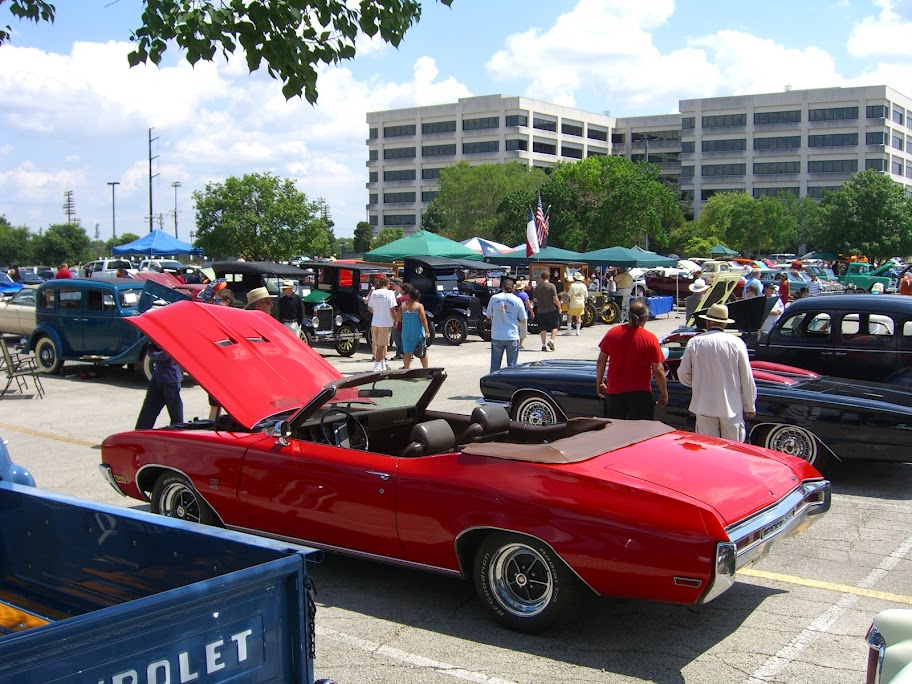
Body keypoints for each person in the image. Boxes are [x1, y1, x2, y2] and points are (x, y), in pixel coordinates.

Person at [677, 302, 756, 442]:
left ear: (708, 322)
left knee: (708, 449)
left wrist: (699, 384)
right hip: (731, 405)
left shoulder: (695, 342)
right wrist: (749, 404)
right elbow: (746, 377)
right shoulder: (736, 343)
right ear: (725, 324)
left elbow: (683, 373)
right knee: (733, 449)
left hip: (704, 404)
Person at [595, 298, 668, 420]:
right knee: (640, 434)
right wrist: (664, 393)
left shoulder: (612, 333)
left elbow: (601, 360)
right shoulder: (650, 339)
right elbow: (658, 370)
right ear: (646, 317)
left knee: (614, 432)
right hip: (640, 393)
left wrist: (600, 382)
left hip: (615, 392)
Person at [135, 342, 184, 430]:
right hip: (157, 378)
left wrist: (150, 350)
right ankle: (140, 432)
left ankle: (178, 433)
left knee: (175, 412)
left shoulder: (171, 339)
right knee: (149, 408)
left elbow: (164, 356)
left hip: (171, 380)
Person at [486, 277, 527, 373]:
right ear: (513, 288)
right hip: (511, 335)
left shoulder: (494, 298)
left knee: (495, 364)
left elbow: (488, 315)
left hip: (497, 334)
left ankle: (493, 384)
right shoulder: (517, 300)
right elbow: (523, 319)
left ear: (502, 287)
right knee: (512, 366)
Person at [367, 276, 398, 372]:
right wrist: (396, 319)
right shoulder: (390, 293)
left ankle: (382, 363)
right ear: (388, 284)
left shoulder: (374, 293)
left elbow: (369, 308)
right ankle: (377, 364)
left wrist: (377, 312)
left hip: (375, 322)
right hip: (385, 322)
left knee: (378, 344)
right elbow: (392, 309)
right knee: (382, 345)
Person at [400, 285, 430, 369]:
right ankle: (425, 369)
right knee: (422, 352)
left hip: (406, 333)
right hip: (417, 333)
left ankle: (406, 369)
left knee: (407, 352)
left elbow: (398, 318)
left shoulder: (403, 306)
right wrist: (427, 331)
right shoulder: (419, 306)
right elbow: (423, 320)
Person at [534, 270, 561, 352]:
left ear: (541, 277)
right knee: (555, 326)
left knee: (543, 328)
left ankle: (543, 345)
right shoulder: (551, 286)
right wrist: (559, 307)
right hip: (551, 309)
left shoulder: (538, 287)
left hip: (540, 310)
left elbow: (535, 299)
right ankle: (551, 340)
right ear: (548, 276)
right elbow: (555, 298)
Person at [565, 272, 589, 336]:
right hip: (581, 303)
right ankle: (578, 331)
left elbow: (569, 295)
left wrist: (565, 302)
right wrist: (584, 303)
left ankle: (569, 331)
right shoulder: (583, 285)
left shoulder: (572, 285)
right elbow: (586, 296)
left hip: (573, 303)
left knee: (569, 317)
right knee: (579, 317)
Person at [513, 279, 533, 349]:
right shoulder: (524, 295)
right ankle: (520, 344)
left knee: (515, 329)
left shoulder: (513, 294)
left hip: (514, 314)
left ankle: (515, 342)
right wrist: (532, 313)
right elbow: (528, 305)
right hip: (523, 314)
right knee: (522, 330)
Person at [390, 278, 407, 360]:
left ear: (398, 285)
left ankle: (403, 353)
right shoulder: (392, 294)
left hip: (400, 319)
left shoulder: (402, 296)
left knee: (401, 337)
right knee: (396, 337)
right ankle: (399, 352)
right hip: (393, 318)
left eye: (394, 284)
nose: (392, 285)